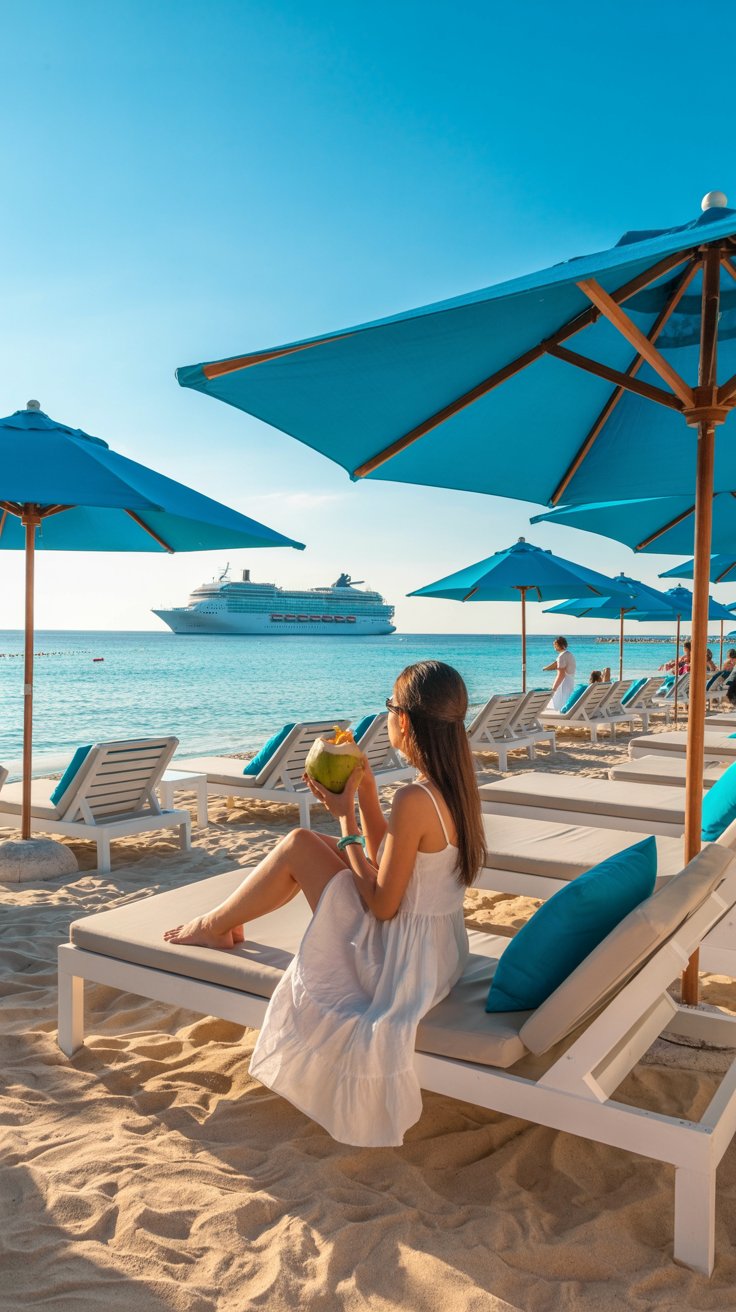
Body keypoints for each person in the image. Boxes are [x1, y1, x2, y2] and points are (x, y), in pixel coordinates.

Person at [164, 660, 486, 1148]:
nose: (388, 717)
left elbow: (381, 904)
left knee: (298, 844)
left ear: (404, 720)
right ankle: (220, 921)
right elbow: (389, 866)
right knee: (304, 844)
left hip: (395, 964)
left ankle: (214, 923)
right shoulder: (454, 786)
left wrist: (343, 821)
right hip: (437, 955)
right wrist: (368, 797)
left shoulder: (416, 800)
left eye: (390, 706)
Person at [544, 636, 576, 710]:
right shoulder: (569, 654)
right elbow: (556, 664)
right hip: (570, 682)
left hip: (563, 684)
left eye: (554, 644)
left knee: (558, 705)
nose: (553, 646)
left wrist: (553, 688)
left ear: (558, 645)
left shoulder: (561, 656)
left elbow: (561, 674)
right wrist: (546, 668)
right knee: (566, 701)